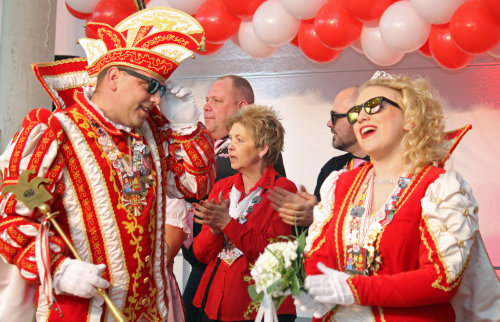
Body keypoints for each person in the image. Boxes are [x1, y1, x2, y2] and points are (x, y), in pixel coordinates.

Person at [0, 8, 216, 322]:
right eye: (151, 86)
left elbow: (196, 186)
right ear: (114, 77)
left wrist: (186, 126)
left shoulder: (153, 135)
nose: (157, 100)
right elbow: (11, 220)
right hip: (83, 311)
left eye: (161, 89)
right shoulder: (54, 136)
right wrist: (58, 268)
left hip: (151, 312)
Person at [297, 72, 500, 321]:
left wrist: (355, 290)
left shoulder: (439, 186)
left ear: (410, 119)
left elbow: (440, 278)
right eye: (356, 111)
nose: (360, 116)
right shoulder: (338, 184)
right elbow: (317, 256)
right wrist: (319, 289)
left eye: (374, 106)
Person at [182, 75, 286, 321]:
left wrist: (225, 224)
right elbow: (201, 248)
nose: (206, 106)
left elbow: (271, 249)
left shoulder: (270, 176)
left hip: (247, 282)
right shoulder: (218, 177)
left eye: (216, 100)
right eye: (206, 100)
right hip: (207, 268)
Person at [268, 87, 367, 227]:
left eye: (335, 116)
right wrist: (305, 215)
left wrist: (319, 216)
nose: (329, 124)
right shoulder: (332, 168)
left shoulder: (388, 166)